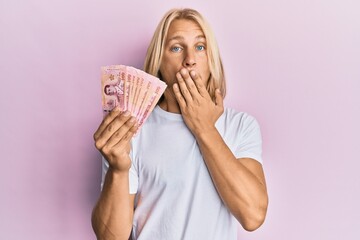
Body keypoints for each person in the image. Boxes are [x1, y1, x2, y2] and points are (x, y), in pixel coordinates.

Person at [92, 8, 268, 240]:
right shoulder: (132, 128)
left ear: (210, 59)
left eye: (200, 47)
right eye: (176, 48)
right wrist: (118, 169)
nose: (190, 60)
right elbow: (111, 237)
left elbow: (253, 216)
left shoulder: (240, 125)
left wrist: (203, 127)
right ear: (159, 63)